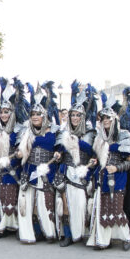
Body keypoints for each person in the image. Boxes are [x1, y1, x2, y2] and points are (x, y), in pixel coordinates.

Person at [17, 82, 60, 244]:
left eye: (38, 114)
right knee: (25, 204)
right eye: (32, 114)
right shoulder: (25, 131)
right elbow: (21, 149)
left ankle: (50, 233)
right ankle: (28, 235)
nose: (35, 116)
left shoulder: (55, 130)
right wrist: (19, 153)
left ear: (44, 115)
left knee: (45, 204)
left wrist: (59, 153)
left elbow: (61, 147)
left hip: (47, 172)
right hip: (29, 171)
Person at [87, 107, 130, 250]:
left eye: (108, 118)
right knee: (102, 208)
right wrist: (93, 161)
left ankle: (126, 237)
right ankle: (103, 240)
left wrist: (116, 168)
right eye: (103, 119)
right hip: (101, 176)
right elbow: (96, 156)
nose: (106, 121)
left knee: (116, 208)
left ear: (114, 119)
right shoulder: (99, 137)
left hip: (117, 177)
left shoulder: (124, 135)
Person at [0, 77, 26, 240]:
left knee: (12, 200)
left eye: (6, 112)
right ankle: (0, 228)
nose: (3, 114)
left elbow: (21, 150)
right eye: (1, 112)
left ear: (12, 113)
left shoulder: (19, 130)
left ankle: (15, 228)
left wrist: (12, 160)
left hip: (12, 170)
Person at [55, 88, 96, 247]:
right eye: (72, 114)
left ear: (83, 116)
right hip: (66, 171)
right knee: (65, 205)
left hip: (82, 173)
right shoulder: (63, 131)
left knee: (80, 205)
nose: (75, 118)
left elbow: (93, 151)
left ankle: (81, 233)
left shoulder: (91, 132)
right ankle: (67, 235)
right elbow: (59, 148)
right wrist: (58, 153)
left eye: (78, 115)